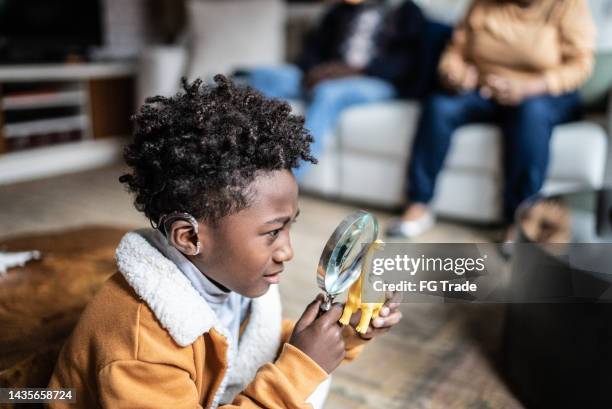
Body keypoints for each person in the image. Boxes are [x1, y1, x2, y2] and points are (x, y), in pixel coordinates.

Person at [47, 75, 402, 408]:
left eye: (289, 227)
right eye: (271, 232)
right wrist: (300, 370)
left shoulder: (222, 276)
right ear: (189, 237)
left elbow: (247, 344)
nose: (288, 251)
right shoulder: (139, 344)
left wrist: (347, 329)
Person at [387, 0, 596, 239]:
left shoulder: (568, 5)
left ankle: (519, 220)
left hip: (542, 92)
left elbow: (581, 64)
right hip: (484, 88)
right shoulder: (482, 4)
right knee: (440, 106)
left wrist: (528, 88)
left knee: (531, 114)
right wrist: (455, 73)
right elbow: (455, 50)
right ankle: (418, 204)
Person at [246, 0, 428, 178]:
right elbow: (313, 47)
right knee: (264, 75)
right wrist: (314, 71)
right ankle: (248, 159)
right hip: (328, 75)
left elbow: (405, 64)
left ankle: (288, 176)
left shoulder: (408, 11)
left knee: (328, 93)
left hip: (375, 81)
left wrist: (355, 71)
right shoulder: (340, 9)